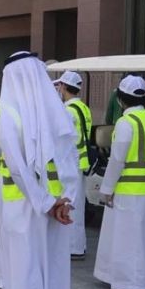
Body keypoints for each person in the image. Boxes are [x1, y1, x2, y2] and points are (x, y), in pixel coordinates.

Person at [0, 52, 77, 289]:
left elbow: (17, 168)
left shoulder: (9, 114)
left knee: (24, 268)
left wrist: (44, 202)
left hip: (24, 204)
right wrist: (64, 201)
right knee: (50, 268)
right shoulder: (57, 110)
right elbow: (70, 162)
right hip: (55, 205)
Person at [94, 76, 145, 289]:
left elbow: (117, 160)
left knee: (126, 240)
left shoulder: (126, 123)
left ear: (121, 100)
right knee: (142, 238)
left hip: (129, 190)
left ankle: (129, 284)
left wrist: (105, 190)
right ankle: (134, 280)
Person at [54, 71, 93, 260]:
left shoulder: (68, 110)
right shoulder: (82, 107)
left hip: (72, 162)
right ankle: (78, 245)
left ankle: (73, 248)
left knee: (71, 205)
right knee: (78, 205)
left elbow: (62, 138)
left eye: (59, 86)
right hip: (81, 161)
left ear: (63, 87)